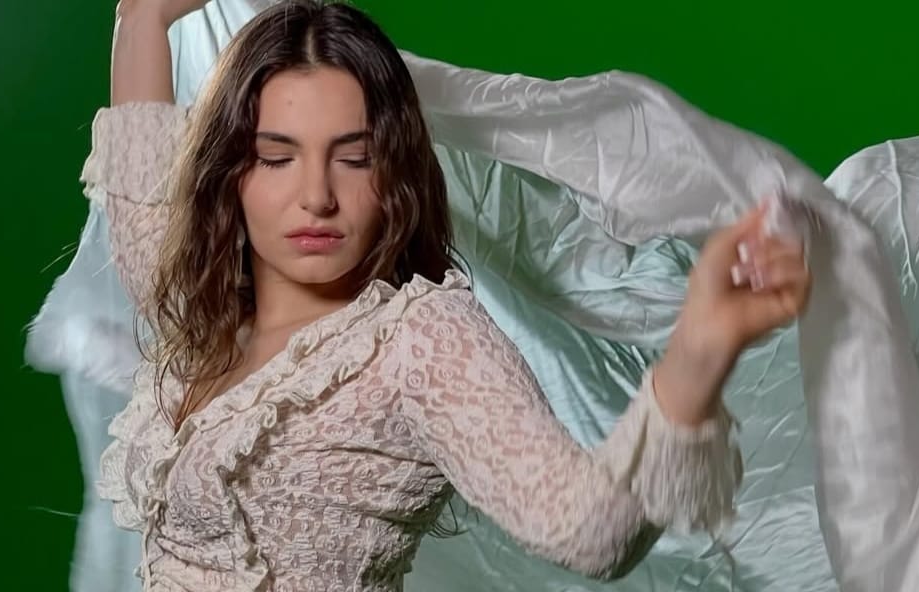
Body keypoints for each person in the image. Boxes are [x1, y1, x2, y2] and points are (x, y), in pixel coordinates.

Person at [94, 0, 811, 589]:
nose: (316, 196)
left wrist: (702, 347)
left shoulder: (418, 340)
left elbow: (587, 531)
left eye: (355, 158)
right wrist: (146, 16)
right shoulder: (203, 309)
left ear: (395, 174)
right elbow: (140, 200)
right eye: (277, 157)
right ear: (231, 172)